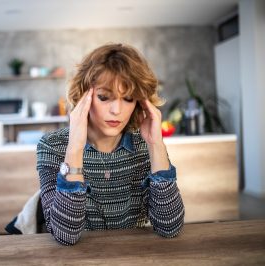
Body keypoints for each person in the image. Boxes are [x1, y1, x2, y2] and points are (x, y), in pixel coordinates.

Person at [36, 43, 185, 246]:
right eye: (104, 97)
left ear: (140, 102)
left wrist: (156, 144)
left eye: (128, 98)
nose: (116, 110)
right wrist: (75, 147)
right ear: (82, 96)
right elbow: (65, 235)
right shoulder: (52, 146)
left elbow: (170, 227)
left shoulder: (144, 145)